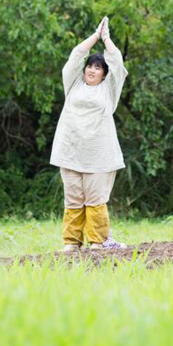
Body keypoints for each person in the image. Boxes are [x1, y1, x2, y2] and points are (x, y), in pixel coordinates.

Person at [50, 17, 128, 251]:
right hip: (70, 150)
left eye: (98, 67)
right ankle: (71, 242)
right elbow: (75, 55)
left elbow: (116, 62)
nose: (92, 70)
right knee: (73, 199)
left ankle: (98, 241)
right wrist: (95, 35)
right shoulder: (73, 84)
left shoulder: (109, 89)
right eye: (90, 66)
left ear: (104, 74)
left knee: (95, 200)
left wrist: (106, 39)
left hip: (98, 154)